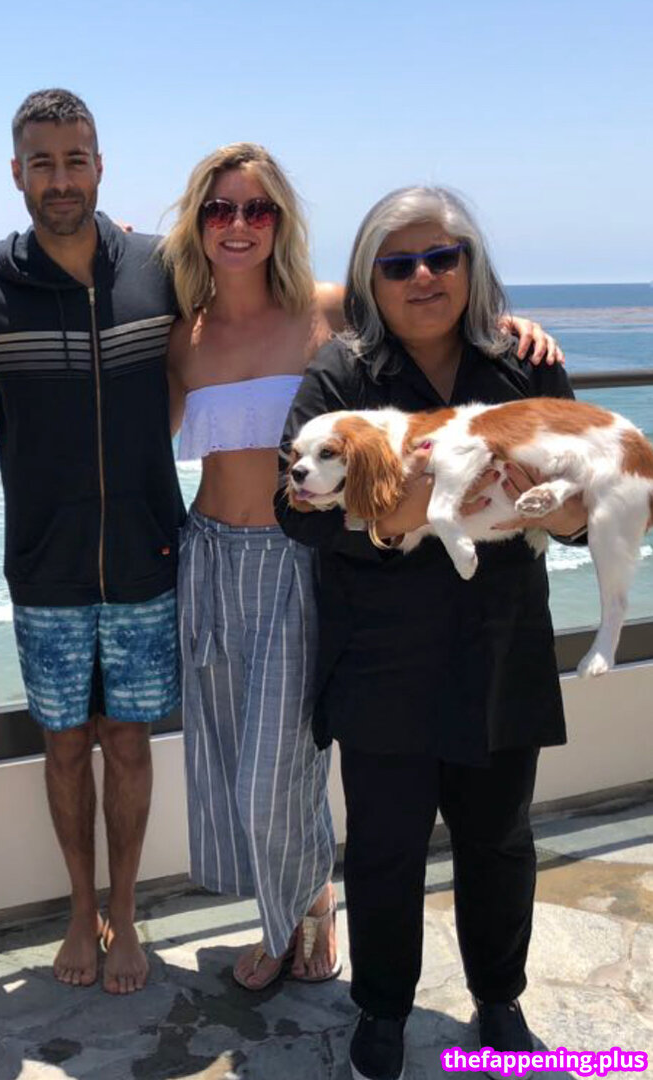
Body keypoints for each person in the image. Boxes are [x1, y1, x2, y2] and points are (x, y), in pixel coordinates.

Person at [274, 186, 585, 1080]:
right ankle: (381, 1010)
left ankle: (499, 999)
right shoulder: (340, 376)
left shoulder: (524, 366)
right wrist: (389, 521)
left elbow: (582, 495)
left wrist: (561, 514)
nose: (422, 277)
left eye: (441, 258)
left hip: (499, 643)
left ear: (469, 267)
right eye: (398, 262)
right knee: (384, 849)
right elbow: (289, 507)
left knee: (500, 839)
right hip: (381, 655)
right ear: (369, 279)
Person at [0, 89, 184, 995]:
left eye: (75, 160)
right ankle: (78, 912)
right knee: (61, 747)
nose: (60, 179)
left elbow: (275, 303)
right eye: (42, 163)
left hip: (145, 556)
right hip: (43, 564)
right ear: (16, 173)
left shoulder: (161, 269)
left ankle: (124, 912)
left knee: (127, 743)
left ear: (99, 166)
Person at [161, 144, 342, 989]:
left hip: (295, 562)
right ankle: (294, 908)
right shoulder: (182, 336)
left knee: (278, 770)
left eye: (257, 209)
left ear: (280, 222)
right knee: (229, 758)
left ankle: (295, 918)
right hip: (206, 558)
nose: (238, 225)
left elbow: (434, 332)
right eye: (220, 209)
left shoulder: (326, 311)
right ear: (197, 223)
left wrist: (514, 331)